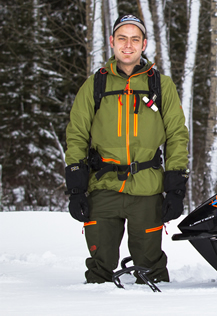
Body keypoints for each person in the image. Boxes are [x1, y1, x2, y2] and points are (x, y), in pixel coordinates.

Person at [64, 14, 190, 284]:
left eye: (135, 39)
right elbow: (76, 134)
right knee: (99, 269)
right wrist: (76, 187)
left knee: (151, 268)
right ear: (112, 42)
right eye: (122, 38)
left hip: (147, 190)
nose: (128, 45)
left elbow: (177, 135)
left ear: (144, 44)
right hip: (103, 187)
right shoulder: (95, 84)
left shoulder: (161, 85)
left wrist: (176, 186)